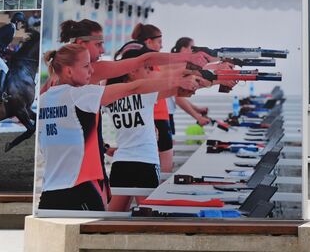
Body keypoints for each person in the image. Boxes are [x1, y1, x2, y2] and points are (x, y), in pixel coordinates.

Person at [35, 42, 200, 212]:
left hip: (49, 192)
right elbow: (134, 88)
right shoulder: (81, 95)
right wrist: (179, 79)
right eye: (86, 66)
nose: (92, 71)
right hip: (81, 189)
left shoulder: (44, 99)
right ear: (69, 71)